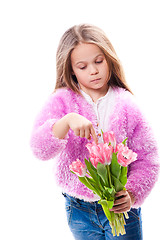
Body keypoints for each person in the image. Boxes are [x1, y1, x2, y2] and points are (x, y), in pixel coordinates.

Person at [30, 24, 159, 240]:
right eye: (82, 66)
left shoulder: (127, 104)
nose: (94, 70)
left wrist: (132, 193)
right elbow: (39, 149)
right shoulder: (62, 101)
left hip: (121, 209)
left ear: (109, 59)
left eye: (99, 61)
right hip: (79, 210)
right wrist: (67, 121)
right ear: (71, 69)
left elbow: (148, 157)